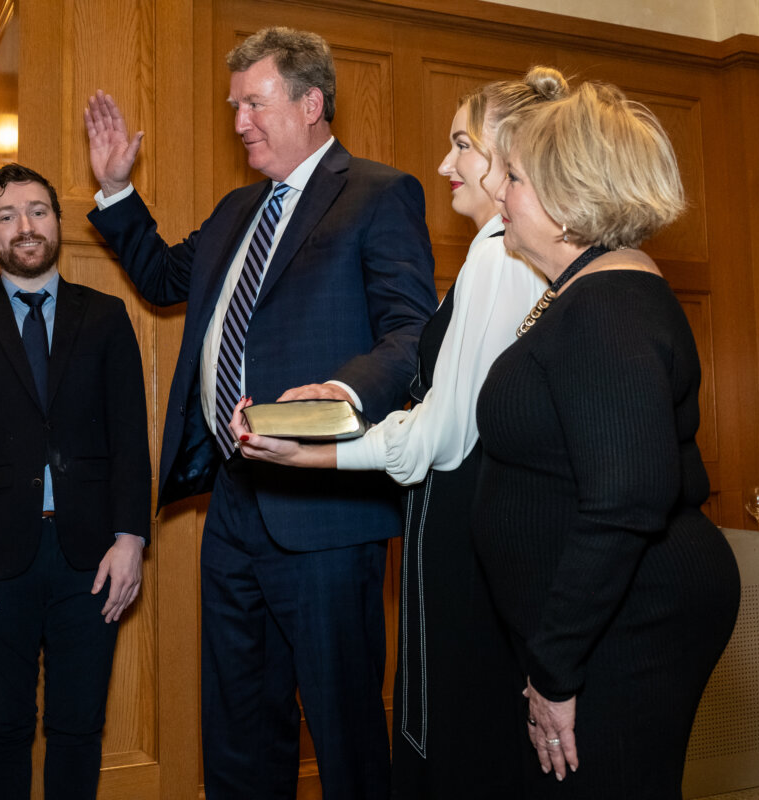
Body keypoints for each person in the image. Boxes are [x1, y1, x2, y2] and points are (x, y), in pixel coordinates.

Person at [85, 26, 437, 799]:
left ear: (311, 102)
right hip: (234, 502)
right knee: (239, 724)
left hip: (325, 505)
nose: (239, 119)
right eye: (233, 104)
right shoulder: (238, 208)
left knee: (344, 729)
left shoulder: (378, 193)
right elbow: (164, 278)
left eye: (254, 102)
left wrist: (341, 396)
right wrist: (115, 190)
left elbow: (412, 332)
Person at [229, 67, 566, 798]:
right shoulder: (519, 252)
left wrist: (314, 450)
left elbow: (437, 438)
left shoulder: (497, 248)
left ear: (509, 153)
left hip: (469, 528)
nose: (444, 164)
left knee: (464, 746)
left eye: (461, 145)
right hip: (495, 528)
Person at [472, 82, 740, 797]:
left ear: (565, 200)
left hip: (627, 625)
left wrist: (556, 669)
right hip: (603, 623)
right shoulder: (588, 292)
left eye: (518, 177)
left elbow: (627, 500)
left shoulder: (608, 308)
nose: (500, 190)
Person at [0, 163, 151, 800]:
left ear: (57, 222)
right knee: (1, 727)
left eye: (38, 211)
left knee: (79, 728)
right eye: (6, 216)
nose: (25, 227)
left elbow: (131, 438)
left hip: (94, 559)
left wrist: (131, 539)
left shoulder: (106, 317)